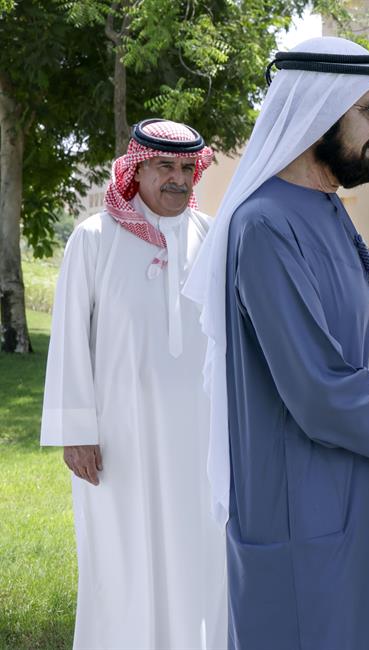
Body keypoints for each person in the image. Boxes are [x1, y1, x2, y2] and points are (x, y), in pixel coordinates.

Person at [182, 37, 369, 650]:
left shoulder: (323, 207)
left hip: (363, 505)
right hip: (308, 517)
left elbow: (366, 350)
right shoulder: (265, 224)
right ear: (321, 115)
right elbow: (319, 389)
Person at [40, 119, 226, 648]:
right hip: (119, 438)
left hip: (200, 434)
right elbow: (70, 336)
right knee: (121, 556)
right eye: (165, 166)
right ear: (137, 168)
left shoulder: (211, 237)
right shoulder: (94, 238)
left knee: (200, 553)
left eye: (188, 168)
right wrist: (76, 429)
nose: (179, 179)